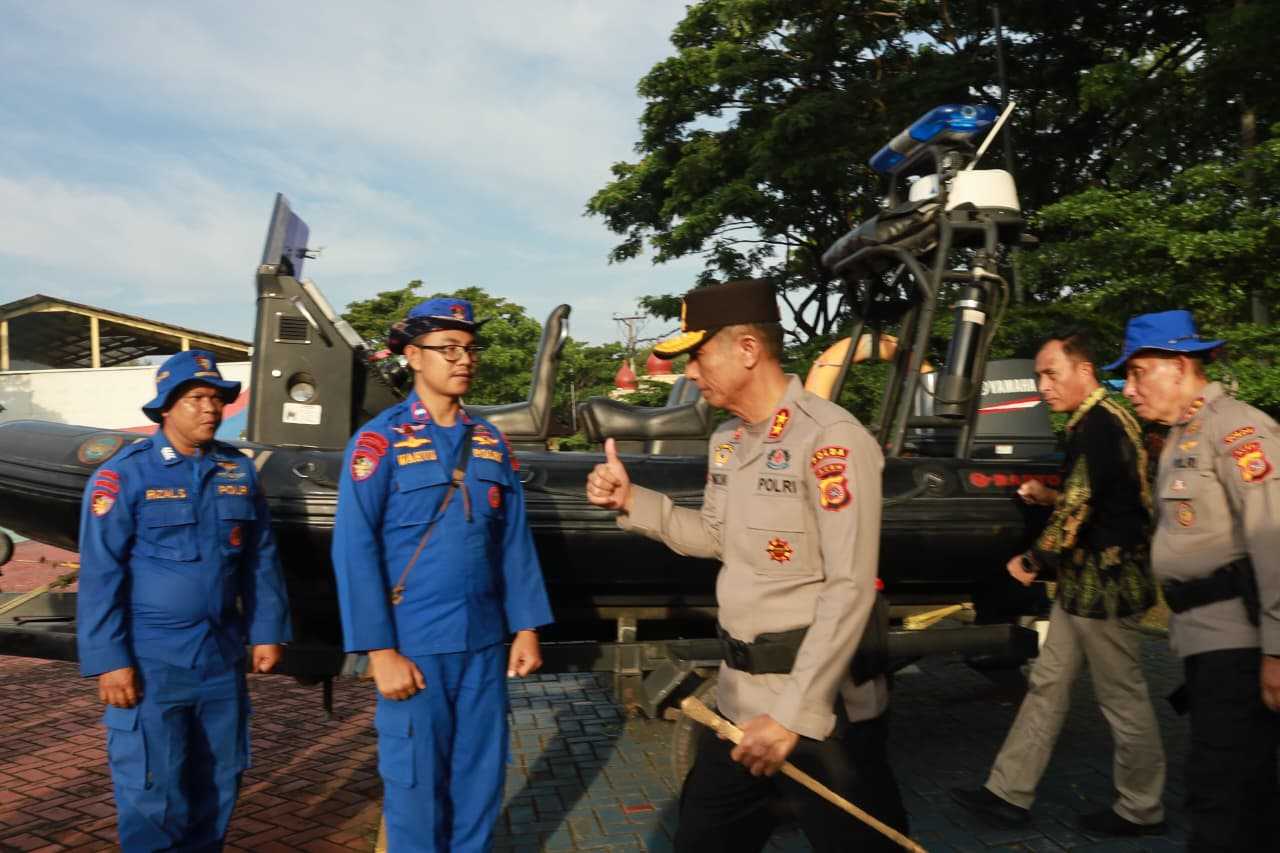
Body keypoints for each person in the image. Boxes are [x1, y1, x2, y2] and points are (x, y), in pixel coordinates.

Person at [585, 279, 907, 852]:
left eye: (697, 356)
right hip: (737, 707)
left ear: (748, 350)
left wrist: (791, 717)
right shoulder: (729, 441)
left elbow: (849, 586)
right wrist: (632, 501)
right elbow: (715, 536)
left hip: (820, 714)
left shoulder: (831, 439)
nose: (688, 373)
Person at [331, 297, 553, 852]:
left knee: (479, 787)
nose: (463, 359)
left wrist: (526, 626)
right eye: (447, 348)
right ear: (412, 355)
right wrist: (379, 652)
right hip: (415, 649)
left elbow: (514, 540)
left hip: (482, 644)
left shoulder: (490, 441)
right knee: (415, 793)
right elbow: (354, 550)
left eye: (469, 348)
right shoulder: (378, 443)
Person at [951, 330, 1167, 836]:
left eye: (1051, 373)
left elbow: (1078, 510)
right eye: (1039, 376)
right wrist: (1048, 495)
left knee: (1123, 698)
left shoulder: (1096, 425)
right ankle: (1008, 793)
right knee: (1048, 685)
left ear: (1084, 370)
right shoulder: (1100, 421)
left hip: (1106, 587)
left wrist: (1030, 561)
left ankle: (1142, 808)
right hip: (1083, 585)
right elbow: (1099, 497)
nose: (1042, 386)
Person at [77, 350, 292, 851]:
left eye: (217, 398)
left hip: (220, 656)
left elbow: (260, 558)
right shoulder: (125, 476)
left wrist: (267, 630)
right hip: (153, 660)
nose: (211, 408)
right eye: (196, 397)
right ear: (166, 407)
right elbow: (101, 574)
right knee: (154, 790)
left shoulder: (236, 470)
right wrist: (110, 661)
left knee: (219, 780)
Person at [1109, 309, 1280, 850]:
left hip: (1243, 645)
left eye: (1138, 374)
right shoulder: (1185, 434)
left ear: (1180, 366)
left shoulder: (1238, 430)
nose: (1128, 389)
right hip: (1207, 641)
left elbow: (1274, 541)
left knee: (1220, 793)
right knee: (1239, 789)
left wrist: (1277, 652)